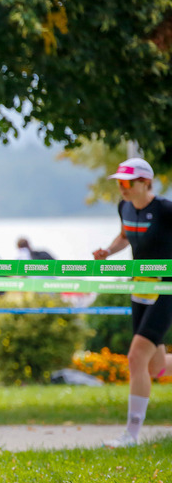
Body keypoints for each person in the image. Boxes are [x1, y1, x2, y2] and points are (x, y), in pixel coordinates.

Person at [92, 157, 172, 448]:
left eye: (127, 183)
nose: (122, 188)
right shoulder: (123, 207)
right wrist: (108, 251)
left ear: (145, 183)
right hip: (139, 288)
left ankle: (131, 434)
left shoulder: (164, 209)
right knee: (155, 367)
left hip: (166, 289)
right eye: (119, 183)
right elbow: (126, 234)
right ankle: (131, 434)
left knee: (136, 357)